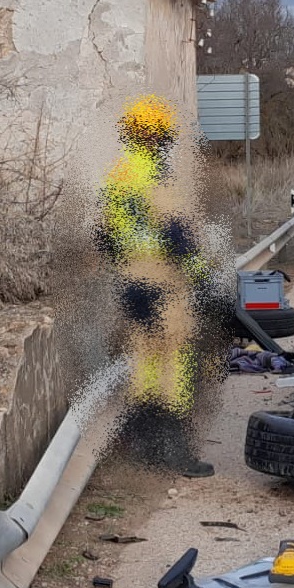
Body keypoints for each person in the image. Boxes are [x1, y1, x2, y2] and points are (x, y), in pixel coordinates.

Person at [93, 94, 220, 478]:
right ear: (158, 138)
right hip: (165, 284)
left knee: (145, 361)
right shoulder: (155, 177)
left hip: (131, 283)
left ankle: (145, 446)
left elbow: (105, 237)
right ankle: (175, 451)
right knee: (175, 364)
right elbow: (176, 236)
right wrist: (202, 278)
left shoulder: (117, 174)